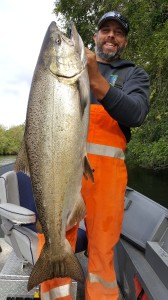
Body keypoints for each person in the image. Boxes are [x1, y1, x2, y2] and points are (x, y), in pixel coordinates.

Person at [38, 11, 150, 300]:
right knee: (54, 238)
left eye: (118, 32)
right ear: (95, 36)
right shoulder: (69, 70)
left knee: (102, 250)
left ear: (124, 41)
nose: (111, 35)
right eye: (105, 30)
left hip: (107, 179)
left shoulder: (134, 74)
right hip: (62, 168)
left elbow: (136, 113)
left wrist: (96, 78)